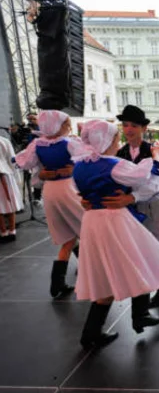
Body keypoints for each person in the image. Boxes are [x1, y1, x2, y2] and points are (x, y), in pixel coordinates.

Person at [72, 120, 159, 349]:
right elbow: (145, 178)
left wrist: (89, 198)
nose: (119, 141)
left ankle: (91, 332)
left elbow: (82, 190)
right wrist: (158, 158)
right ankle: (138, 315)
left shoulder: (80, 164)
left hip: (93, 221)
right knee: (139, 263)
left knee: (106, 274)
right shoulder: (113, 164)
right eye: (115, 138)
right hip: (114, 221)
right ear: (106, 141)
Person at [15, 110, 83, 298]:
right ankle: (93, 271)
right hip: (69, 188)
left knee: (67, 237)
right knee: (87, 229)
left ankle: (58, 283)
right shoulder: (69, 143)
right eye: (66, 124)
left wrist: (44, 172)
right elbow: (87, 159)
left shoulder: (37, 144)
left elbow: (24, 163)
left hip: (51, 191)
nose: (68, 128)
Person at [112, 105, 159, 308]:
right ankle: (151, 290)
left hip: (152, 204)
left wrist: (132, 197)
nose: (129, 129)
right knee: (138, 248)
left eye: (134, 126)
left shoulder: (154, 152)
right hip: (130, 207)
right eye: (126, 125)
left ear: (144, 128)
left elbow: (157, 182)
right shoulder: (120, 153)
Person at [0, 135, 23, 242]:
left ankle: (4, 231)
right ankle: (11, 231)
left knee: (7, 202)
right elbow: (12, 160)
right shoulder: (4, 141)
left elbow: (12, 159)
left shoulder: (4, 141)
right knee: (9, 202)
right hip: (7, 174)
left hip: (6, 174)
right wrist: (17, 176)